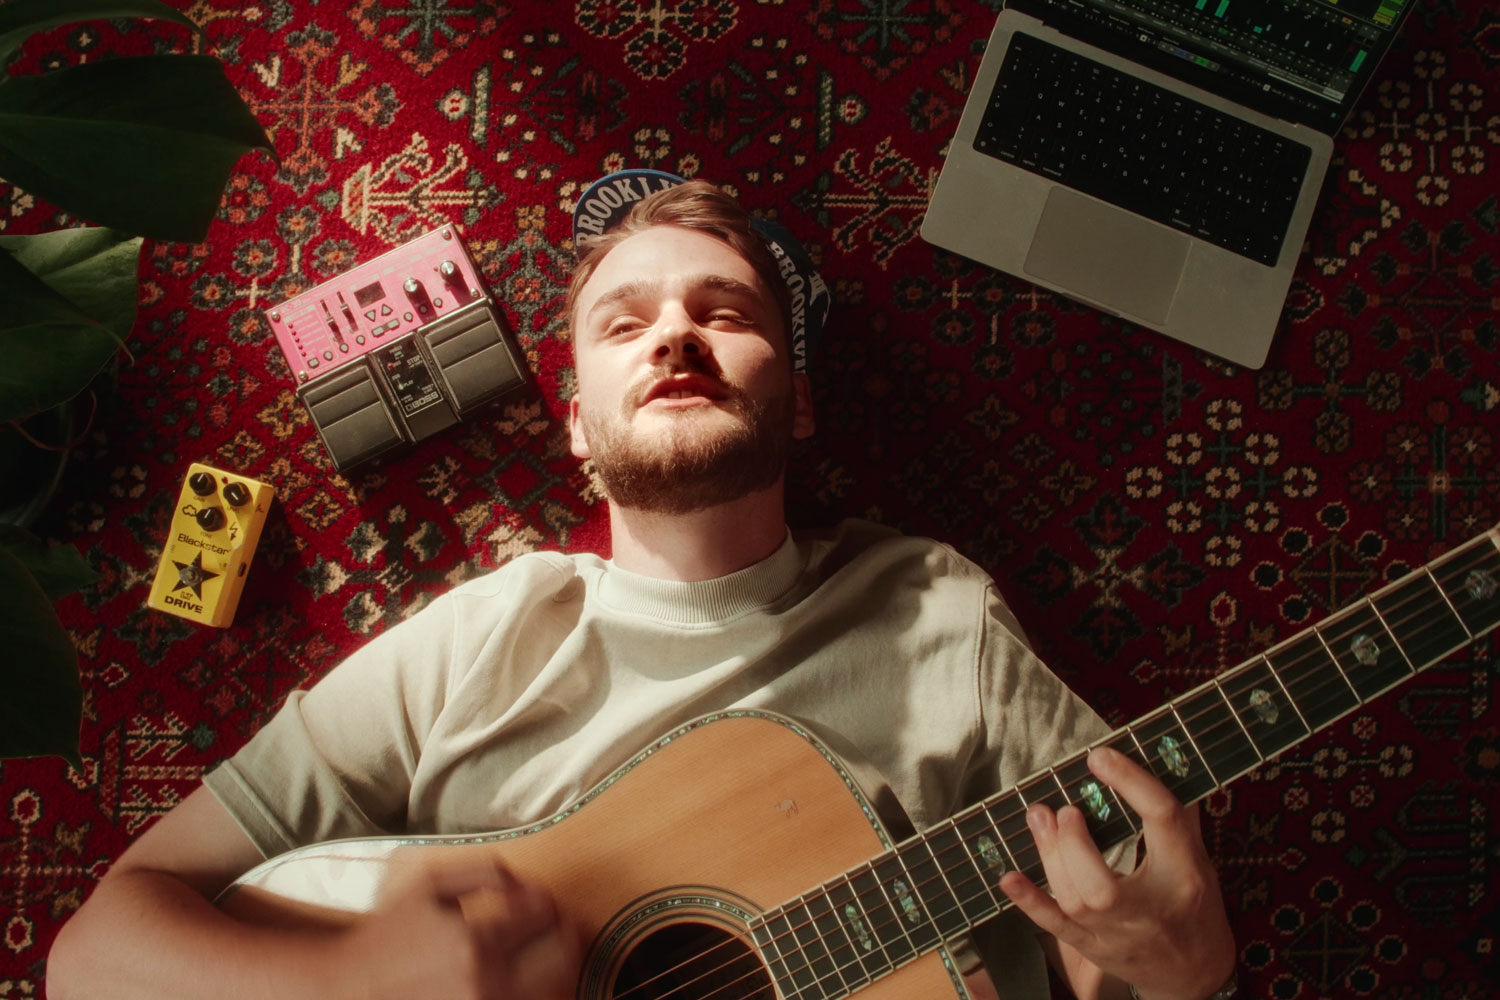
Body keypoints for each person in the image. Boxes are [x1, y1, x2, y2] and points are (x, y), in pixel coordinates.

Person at [47, 176, 1237, 1000]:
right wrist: (349, 977)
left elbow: (1105, 920)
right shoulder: (481, 638)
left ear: (801, 403)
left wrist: (1184, 974)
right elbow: (95, 954)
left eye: (724, 312)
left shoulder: (939, 613)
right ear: (576, 426)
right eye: (624, 326)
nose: (675, 335)